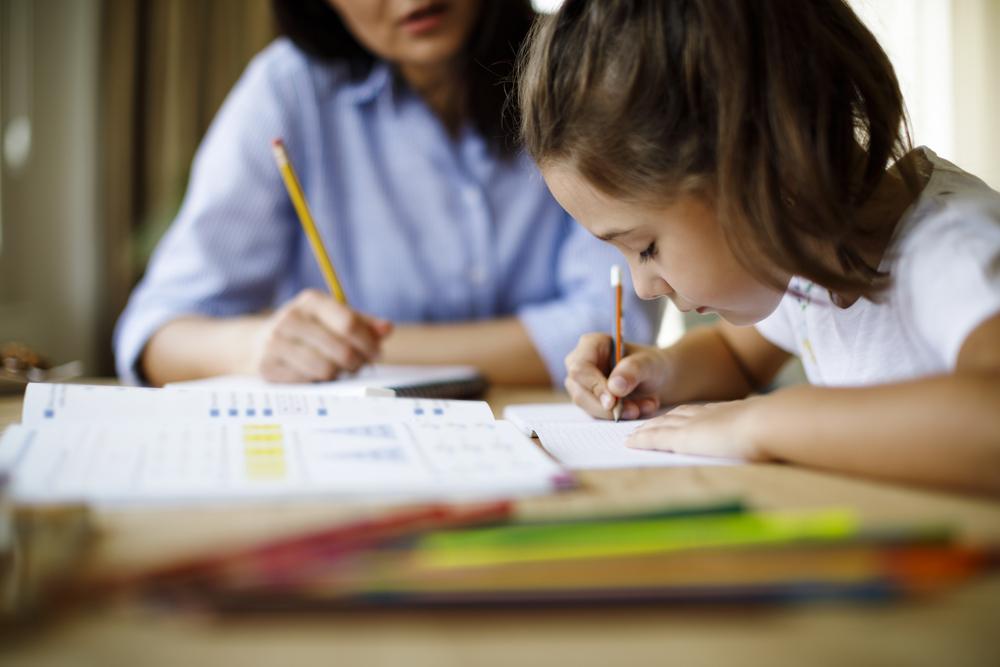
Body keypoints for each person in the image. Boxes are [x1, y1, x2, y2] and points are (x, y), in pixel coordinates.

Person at [518, 0, 1000, 494]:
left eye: (645, 247)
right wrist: (656, 372)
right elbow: (736, 356)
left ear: (758, 161)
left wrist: (763, 423)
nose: (643, 288)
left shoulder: (953, 249)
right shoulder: (806, 255)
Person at [113, 0, 658, 387]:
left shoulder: (578, 68)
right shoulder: (288, 92)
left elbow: (614, 330)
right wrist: (259, 347)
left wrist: (362, 353)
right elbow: (154, 335)